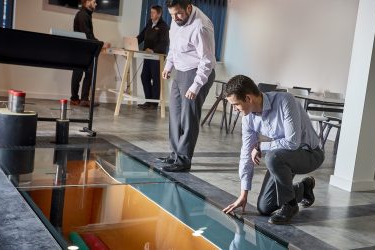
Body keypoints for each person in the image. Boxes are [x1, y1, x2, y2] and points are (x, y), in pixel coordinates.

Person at [222, 75, 324, 225]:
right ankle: (303, 188)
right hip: (284, 156)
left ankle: (290, 205)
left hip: (310, 154)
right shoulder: (248, 118)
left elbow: (292, 143)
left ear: (248, 98)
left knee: (272, 157)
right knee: (264, 207)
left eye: (235, 104)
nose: (234, 109)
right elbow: (246, 153)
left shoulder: (285, 101)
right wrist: (243, 194)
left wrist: (260, 146)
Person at [156, 0, 216, 172]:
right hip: (181, 71)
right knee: (175, 114)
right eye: (172, 14)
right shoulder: (176, 21)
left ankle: (183, 160)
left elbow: (207, 61)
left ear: (189, 8)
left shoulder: (201, 26)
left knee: (188, 117)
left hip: (197, 72)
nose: (175, 18)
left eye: (179, 14)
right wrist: (168, 66)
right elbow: (174, 47)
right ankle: (175, 154)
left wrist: (196, 86)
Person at [70, 0, 110, 107]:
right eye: (94, 2)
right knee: (81, 74)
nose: (96, 4)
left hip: (83, 49)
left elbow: (88, 35)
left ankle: (81, 99)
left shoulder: (86, 14)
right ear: (87, 2)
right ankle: (78, 99)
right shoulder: (83, 15)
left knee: (85, 73)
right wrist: (101, 44)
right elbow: (88, 36)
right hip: (82, 50)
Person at [136, 5, 169, 110]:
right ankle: (148, 101)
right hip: (147, 55)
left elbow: (164, 43)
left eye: (153, 13)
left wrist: (153, 50)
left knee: (155, 79)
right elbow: (141, 36)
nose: (151, 14)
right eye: (150, 12)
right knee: (144, 77)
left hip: (157, 56)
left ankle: (154, 104)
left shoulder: (163, 26)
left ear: (159, 14)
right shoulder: (150, 23)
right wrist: (132, 43)